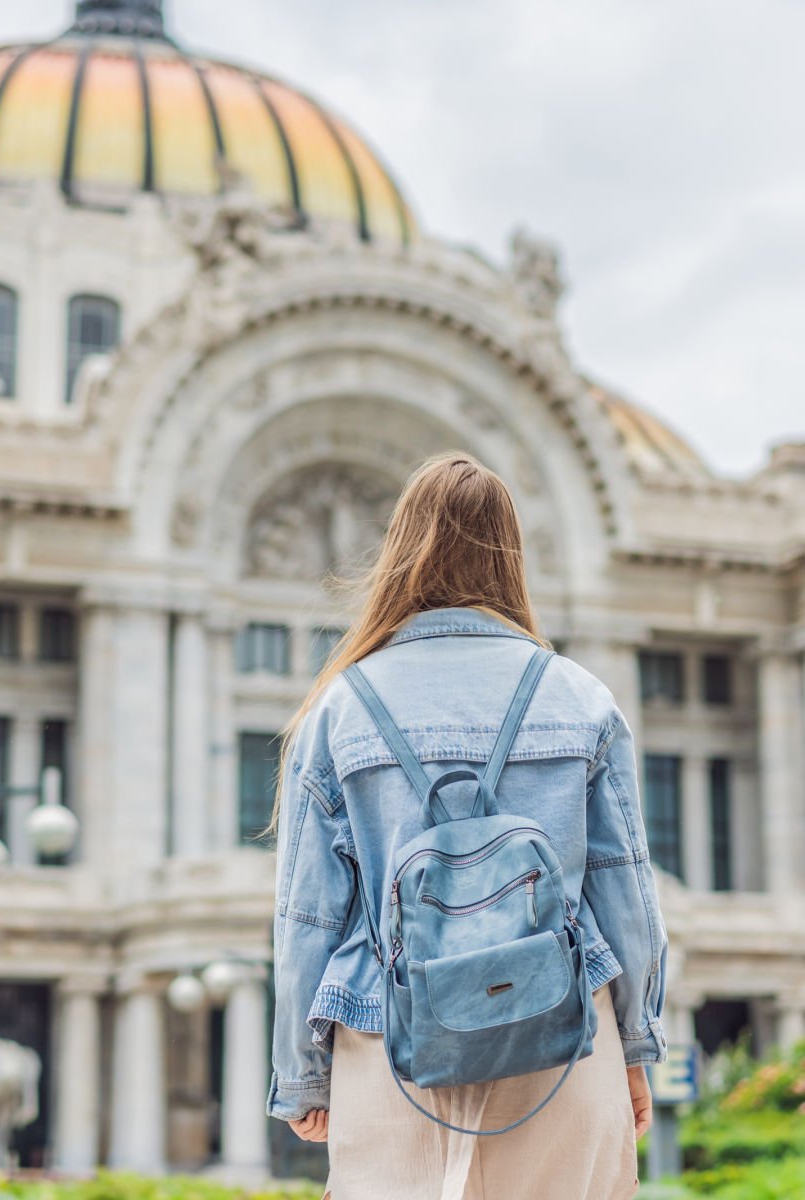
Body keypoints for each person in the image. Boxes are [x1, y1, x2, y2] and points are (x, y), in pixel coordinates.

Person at [265, 451, 668, 1200]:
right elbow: (627, 900)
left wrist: (302, 1075)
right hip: (563, 1041)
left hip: (392, 1047)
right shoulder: (579, 696)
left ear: (399, 553)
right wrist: (636, 1050)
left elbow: (308, 916)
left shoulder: (341, 707)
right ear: (511, 555)